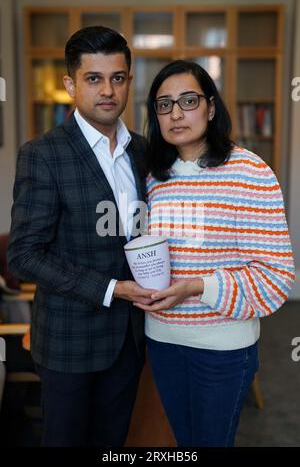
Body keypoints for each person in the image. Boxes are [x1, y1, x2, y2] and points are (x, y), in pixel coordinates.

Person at [134, 60, 295, 447]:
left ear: (210, 106)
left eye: (188, 101)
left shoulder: (250, 172)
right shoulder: (156, 176)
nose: (175, 113)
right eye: (163, 104)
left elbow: (276, 278)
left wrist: (196, 286)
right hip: (162, 340)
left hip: (222, 349)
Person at [7, 26, 154, 447]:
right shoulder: (43, 154)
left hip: (130, 339)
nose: (108, 90)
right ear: (71, 84)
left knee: (114, 444)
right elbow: (24, 254)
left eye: (118, 77)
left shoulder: (144, 151)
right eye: (94, 78)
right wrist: (112, 288)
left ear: (129, 80)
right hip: (69, 343)